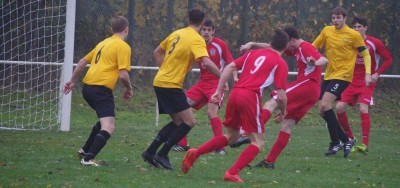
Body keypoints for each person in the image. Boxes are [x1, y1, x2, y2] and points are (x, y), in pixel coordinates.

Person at [181, 29, 289, 183]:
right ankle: (232, 173)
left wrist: (219, 90)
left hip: (235, 93)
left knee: (232, 137)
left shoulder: (253, 54)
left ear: (270, 43)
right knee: (257, 142)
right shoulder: (280, 63)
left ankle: (196, 152)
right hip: (250, 96)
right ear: (285, 48)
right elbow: (282, 96)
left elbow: (229, 67)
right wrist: (284, 112)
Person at [141, 8, 221, 171]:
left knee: (178, 122)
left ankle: (150, 152)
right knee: (189, 122)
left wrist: (166, 69)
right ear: (202, 23)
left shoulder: (177, 33)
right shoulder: (196, 39)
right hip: (170, 85)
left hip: (160, 81)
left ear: (188, 20)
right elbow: (206, 62)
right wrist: (223, 76)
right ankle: (162, 154)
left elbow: (158, 52)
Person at [239, 27, 328, 169]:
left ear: (292, 40)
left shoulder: (305, 47)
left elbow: (323, 59)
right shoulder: (295, 48)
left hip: (307, 85)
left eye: (287, 43)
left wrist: (315, 62)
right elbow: (272, 47)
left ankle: (245, 132)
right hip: (311, 92)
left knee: (274, 100)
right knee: (287, 124)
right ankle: (269, 162)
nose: (286, 46)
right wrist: (252, 43)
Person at [63, 16, 133, 166]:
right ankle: (87, 159)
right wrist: (129, 88)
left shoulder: (103, 43)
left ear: (111, 29)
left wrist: (72, 80)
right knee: (109, 126)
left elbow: (82, 62)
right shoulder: (123, 46)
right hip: (100, 90)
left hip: (87, 88)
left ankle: (85, 150)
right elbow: (123, 74)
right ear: (126, 30)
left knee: (104, 120)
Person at [312, 6, 372, 157]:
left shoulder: (353, 35)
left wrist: (368, 73)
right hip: (329, 74)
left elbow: (366, 55)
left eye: (338, 17)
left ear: (344, 18)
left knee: (326, 105)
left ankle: (336, 142)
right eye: (333, 18)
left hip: (344, 75)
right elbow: (314, 46)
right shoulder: (327, 31)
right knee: (321, 110)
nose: (335, 20)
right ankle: (346, 140)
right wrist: (311, 57)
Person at [173, 19, 235, 155]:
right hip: (202, 84)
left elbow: (231, 63)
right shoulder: (197, 44)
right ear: (200, 30)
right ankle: (182, 144)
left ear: (213, 31)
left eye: (209, 30)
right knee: (179, 107)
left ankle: (220, 147)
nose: (206, 32)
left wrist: (233, 78)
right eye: (204, 30)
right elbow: (189, 63)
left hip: (216, 84)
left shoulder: (220, 45)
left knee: (211, 112)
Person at [336, 16, 392, 154]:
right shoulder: (350, 42)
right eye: (354, 27)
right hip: (351, 81)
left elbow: (388, 59)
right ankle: (350, 138)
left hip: (367, 81)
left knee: (363, 109)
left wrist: (377, 74)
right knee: (339, 108)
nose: (356, 29)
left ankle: (364, 144)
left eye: (359, 26)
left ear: (365, 28)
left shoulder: (374, 43)